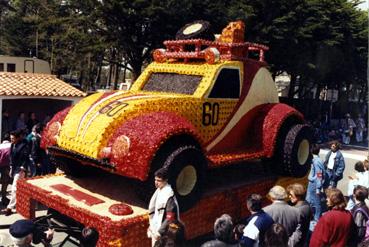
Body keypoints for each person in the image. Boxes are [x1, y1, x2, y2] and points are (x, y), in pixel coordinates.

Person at [148, 168, 180, 246]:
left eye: (159, 181)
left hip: (165, 233)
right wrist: (151, 226)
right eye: (155, 180)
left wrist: (160, 232)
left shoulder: (168, 195)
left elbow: (170, 217)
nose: (156, 183)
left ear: (165, 180)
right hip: (157, 229)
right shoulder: (159, 191)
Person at [1, 129, 30, 216]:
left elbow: (26, 157)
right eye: (11, 138)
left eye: (13, 138)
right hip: (14, 168)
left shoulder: (24, 145)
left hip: (21, 169)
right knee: (20, 188)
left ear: (18, 138)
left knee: (14, 188)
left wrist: (23, 167)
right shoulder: (12, 145)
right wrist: (10, 168)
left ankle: (10, 208)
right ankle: (22, 204)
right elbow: (11, 157)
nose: (11, 140)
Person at [306, 144, 325, 223]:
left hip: (314, 184)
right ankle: (312, 215)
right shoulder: (317, 160)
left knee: (316, 202)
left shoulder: (316, 162)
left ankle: (317, 218)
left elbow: (319, 174)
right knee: (309, 200)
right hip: (313, 183)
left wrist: (318, 188)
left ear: (311, 151)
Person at [0, 134, 11, 206]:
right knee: (5, 182)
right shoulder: (11, 146)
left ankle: (3, 198)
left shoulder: (0, 146)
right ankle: (3, 198)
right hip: (6, 166)